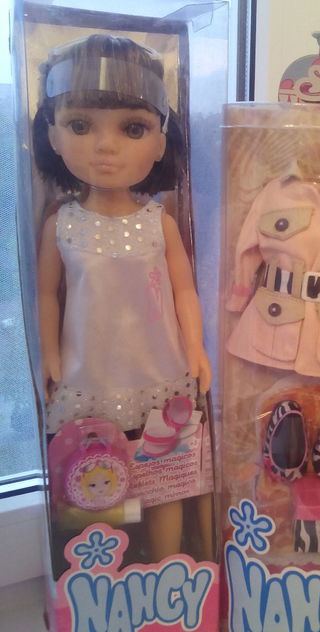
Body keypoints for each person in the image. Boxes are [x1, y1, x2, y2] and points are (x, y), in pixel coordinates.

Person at [33, 34, 212, 561]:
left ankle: (169, 572)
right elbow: (46, 295)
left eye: (133, 128)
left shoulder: (159, 222)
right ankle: (102, 574)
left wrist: (196, 349)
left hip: (160, 371)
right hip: (89, 375)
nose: (104, 146)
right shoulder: (62, 223)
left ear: (160, 141)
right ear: (52, 134)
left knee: (164, 479)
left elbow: (185, 289)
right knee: (94, 483)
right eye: (80, 125)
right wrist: (49, 353)